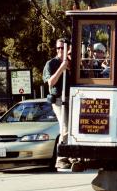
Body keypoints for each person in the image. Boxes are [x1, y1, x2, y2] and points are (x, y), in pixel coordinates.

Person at [43, 38, 71, 170]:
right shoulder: (51, 63)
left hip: (73, 98)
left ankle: (73, 156)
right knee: (64, 127)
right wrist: (61, 67)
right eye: (58, 48)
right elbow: (51, 82)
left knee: (74, 128)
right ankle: (61, 158)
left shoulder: (73, 62)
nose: (60, 51)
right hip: (59, 99)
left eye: (63, 48)